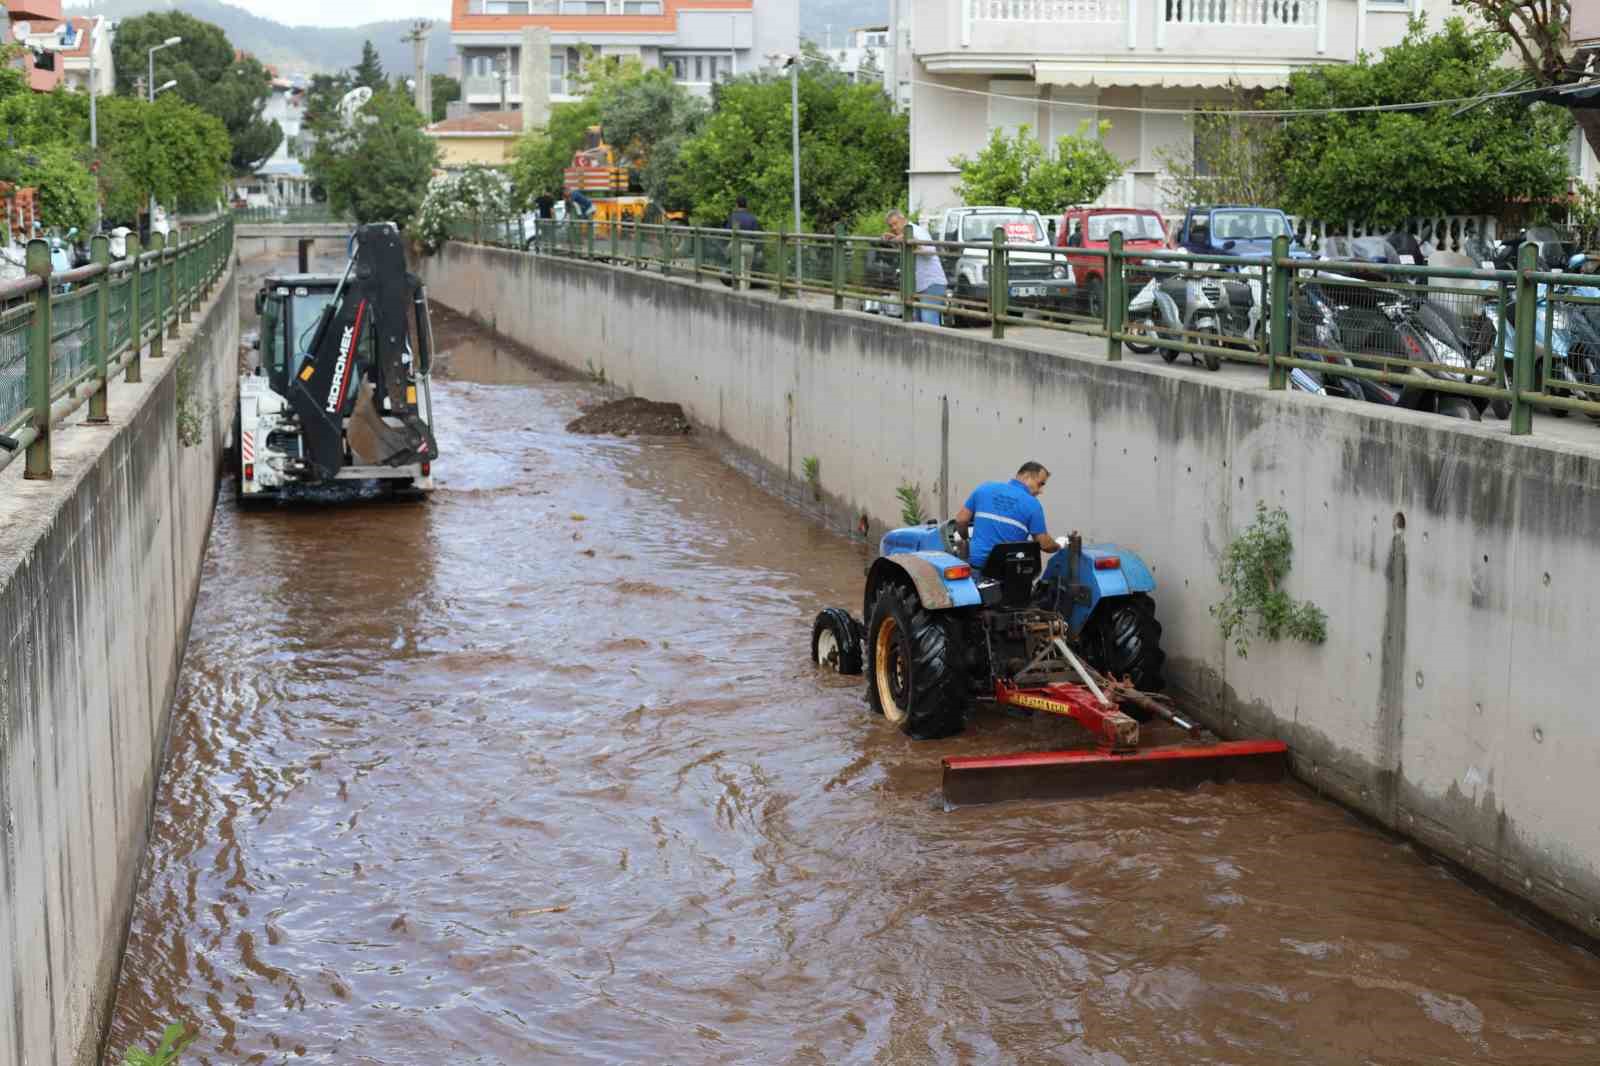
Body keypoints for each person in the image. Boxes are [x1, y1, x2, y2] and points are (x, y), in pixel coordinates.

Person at [954, 461, 1062, 572]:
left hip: (976, 565)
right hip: (1007, 572)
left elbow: (961, 520)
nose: (1040, 491)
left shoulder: (984, 489)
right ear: (1027, 476)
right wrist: (1059, 546)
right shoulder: (1032, 504)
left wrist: (966, 539)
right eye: (1040, 484)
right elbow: (1044, 544)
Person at [884, 209, 947, 325]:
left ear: (903, 220)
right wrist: (893, 240)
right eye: (890, 225)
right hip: (918, 286)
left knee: (929, 323)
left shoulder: (916, 231)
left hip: (931, 284)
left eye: (895, 223)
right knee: (917, 323)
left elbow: (929, 252)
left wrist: (913, 242)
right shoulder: (906, 235)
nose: (893, 227)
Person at [728, 196, 760, 291]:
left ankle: (739, 290)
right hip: (749, 246)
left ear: (737, 204)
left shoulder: (733, 216)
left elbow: (727, 231)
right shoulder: (752, 217)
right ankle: (746, 289)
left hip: (736, 245)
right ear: (746, 205)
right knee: (747, 270)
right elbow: (756, 235)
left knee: (738, 269)